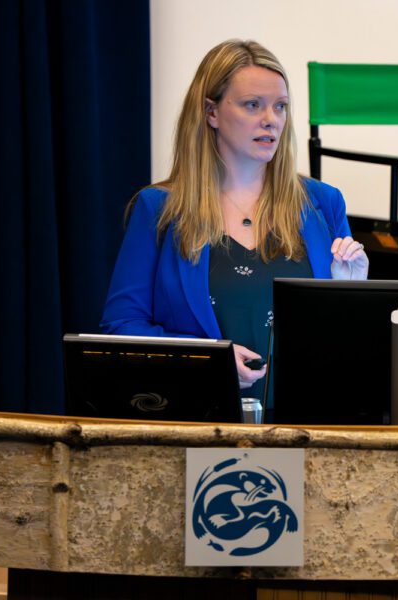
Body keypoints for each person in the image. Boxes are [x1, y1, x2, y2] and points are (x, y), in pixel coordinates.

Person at [101, 40, 368, 400]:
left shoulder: (323, 202)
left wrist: (351, 295)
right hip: (199, 417)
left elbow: (348, 343)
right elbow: (122, 327)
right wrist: (208, 360)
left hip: (305, 418)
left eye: (280, 107)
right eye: (252, 105)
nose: (270, 119)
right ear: (211, 113)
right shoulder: (158, 209)